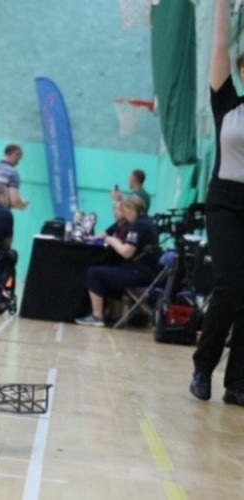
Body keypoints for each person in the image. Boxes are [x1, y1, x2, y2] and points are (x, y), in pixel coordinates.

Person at [189, 0, 244, 406]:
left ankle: (237, 382)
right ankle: (204, 366)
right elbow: (220, 47)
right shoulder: (227, 105)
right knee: (230, 285)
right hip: (225, 203)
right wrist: (223, 5)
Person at [76, 195, 159, 327]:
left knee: (94, 273)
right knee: (108, 269)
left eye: (125, 211)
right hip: (145, 271)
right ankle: (114, 314)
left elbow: (126, 252)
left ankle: (97, 316)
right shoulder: (147, 222)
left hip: (138, 273)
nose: (124, 216)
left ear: (132, 208)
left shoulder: (138, 225)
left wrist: (112, 240)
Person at [0, 144, 29, 209]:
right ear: (14, 154)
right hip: (1, 214)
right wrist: (22, 204)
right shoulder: (13, 173)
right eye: (18, 158)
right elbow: (14, 200)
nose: (18, 162)